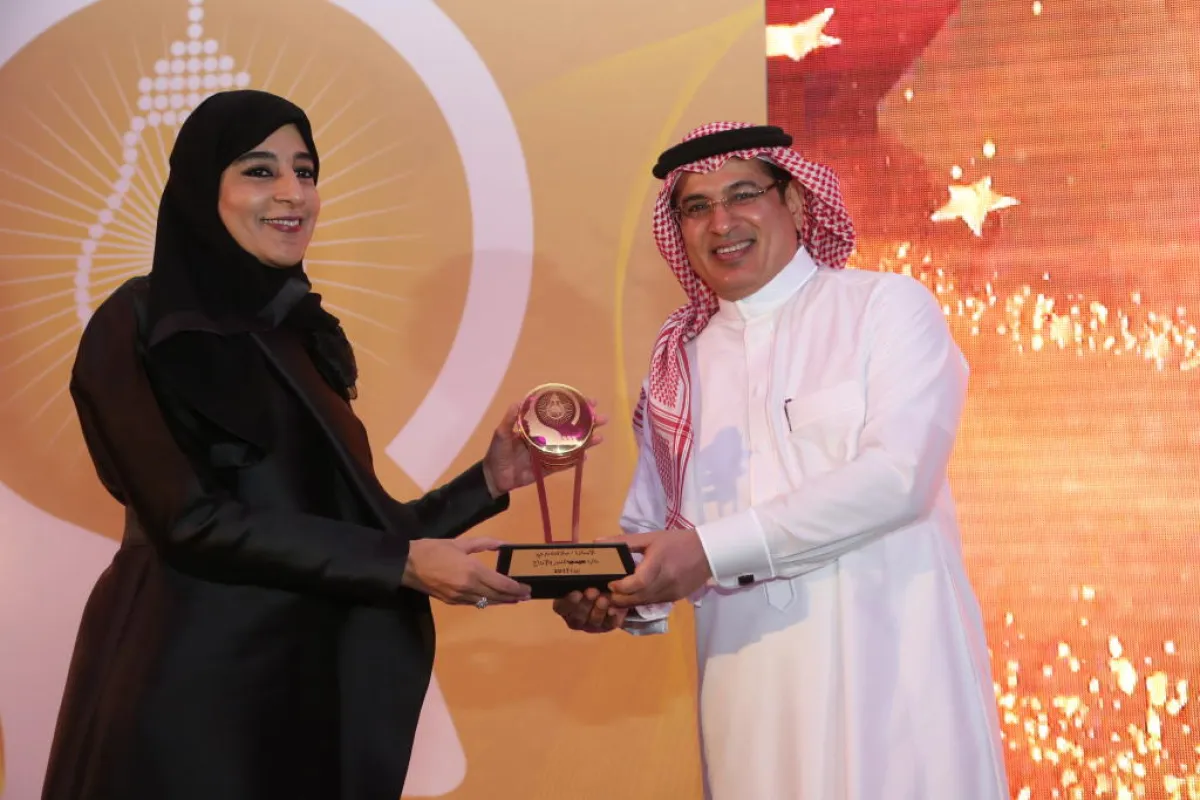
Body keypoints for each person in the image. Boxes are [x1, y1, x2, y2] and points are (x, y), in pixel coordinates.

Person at [40, 90, 598, 800]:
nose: (292, 193)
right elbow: (187, 520)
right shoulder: (139, 322)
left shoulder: (300, 336)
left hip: (305, 692)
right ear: (201, 187)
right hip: (190, 692)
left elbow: (355, 531)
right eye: (260, 170)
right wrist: (400, 563)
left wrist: (488, 480)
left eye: (305, 172)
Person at [552, 122, 1008, 799]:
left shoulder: (882, 307)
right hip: (750, 694)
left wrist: (708, 552)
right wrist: (615, 595)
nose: (722, 223)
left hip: (895, 677)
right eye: (696, 207)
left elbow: (899, 478)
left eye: (743, 195)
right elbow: (655, 533)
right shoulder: (678, 368)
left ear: (794, 202)